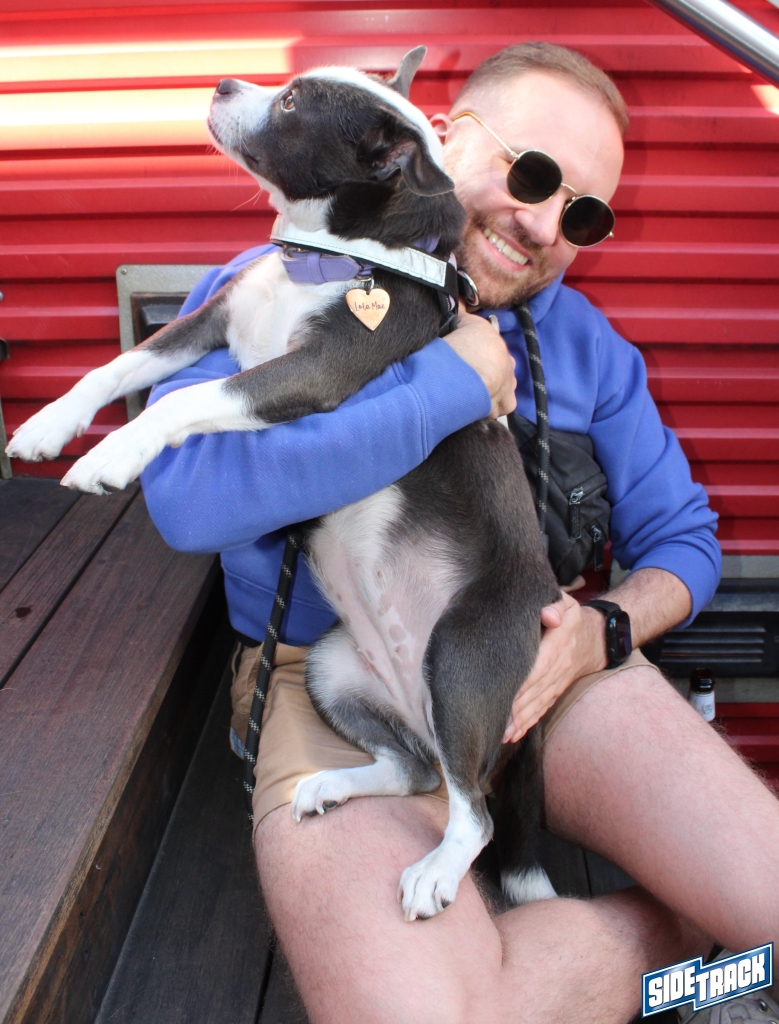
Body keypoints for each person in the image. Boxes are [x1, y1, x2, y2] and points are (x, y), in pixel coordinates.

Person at [141, 43, 779, 1024]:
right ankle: (682, 943)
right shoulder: (289, 282)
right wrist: (449, 384)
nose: (542, 224)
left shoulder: (586, 345)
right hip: (333, 681)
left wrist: (599, 632)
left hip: (529, 663)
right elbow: (186, 502)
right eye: (530, 174)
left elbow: (683, 542)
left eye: (582, 214)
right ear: (435, 140)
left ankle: (702, 941)